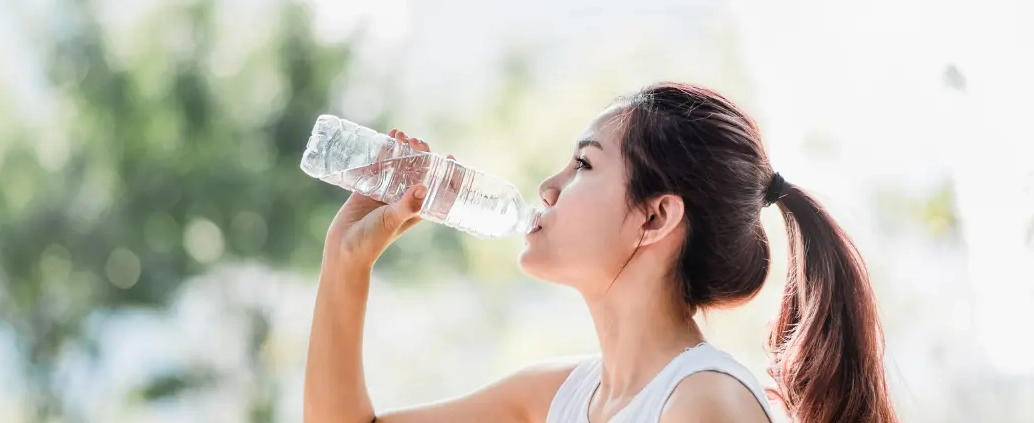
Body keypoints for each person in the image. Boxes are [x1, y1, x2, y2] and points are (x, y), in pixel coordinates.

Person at [303, 82, 897, 423]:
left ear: (656, 216)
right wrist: (345, 264)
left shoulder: (703, 404)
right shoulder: (558, 397)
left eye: (583, 164)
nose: (548, 187)